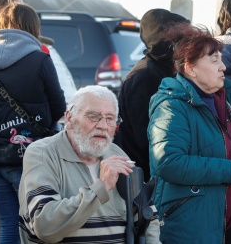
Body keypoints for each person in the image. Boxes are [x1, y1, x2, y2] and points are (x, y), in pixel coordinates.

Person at [148, 24, 231, 244]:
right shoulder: (172, 107)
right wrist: (226, 171)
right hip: (191, 229)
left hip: (228, 225)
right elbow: (166, 162)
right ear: (190, 68)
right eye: (214, 60)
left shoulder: (223, 101)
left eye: (221, 59)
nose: (223, 66)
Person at [19, 85, 161, 243]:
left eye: (110, 118)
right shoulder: (43, 153)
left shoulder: (117, 154)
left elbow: (147, 215)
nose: (103, 126)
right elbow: (44, 226)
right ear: (69, 118)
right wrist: (100, 188)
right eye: (93, 116)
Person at [0, 3, 66, 244]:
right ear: (32, 27)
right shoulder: (39, 59)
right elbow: (58, 106)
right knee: (38, 227)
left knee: (9, 226)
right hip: (31, 156)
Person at [116, 9, 189, 180]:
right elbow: (146, 138)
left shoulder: (169, 69)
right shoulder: (143, 76)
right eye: (181, 39)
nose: (187, 45)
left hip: (165, 170)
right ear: (166, 39)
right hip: (148, 177)